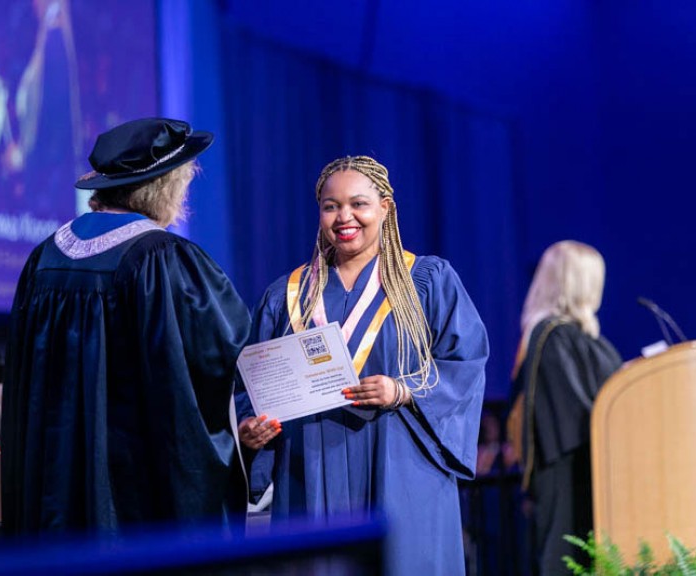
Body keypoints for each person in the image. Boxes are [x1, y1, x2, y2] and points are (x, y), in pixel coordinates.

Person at [235, 155, 489, 576]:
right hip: (309, 474)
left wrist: (402, 391)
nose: (344, 217)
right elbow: (251, 382)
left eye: (359, 204)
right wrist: (251, 426)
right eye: (331, 206)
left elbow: (466, 363)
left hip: (402, 470)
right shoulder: (288, 297)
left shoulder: (425, 282)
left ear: (386, 208)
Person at [2, 117, 251, 534]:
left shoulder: (43, 259)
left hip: (53, 486)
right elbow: (220, 355)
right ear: (165, 187)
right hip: (129, 492)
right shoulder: (163, 257)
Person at [511, 240, 622, 574]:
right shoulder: (553, 336)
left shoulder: (570, 336)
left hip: (584, 470)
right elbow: (578, 410)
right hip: (570, 476)